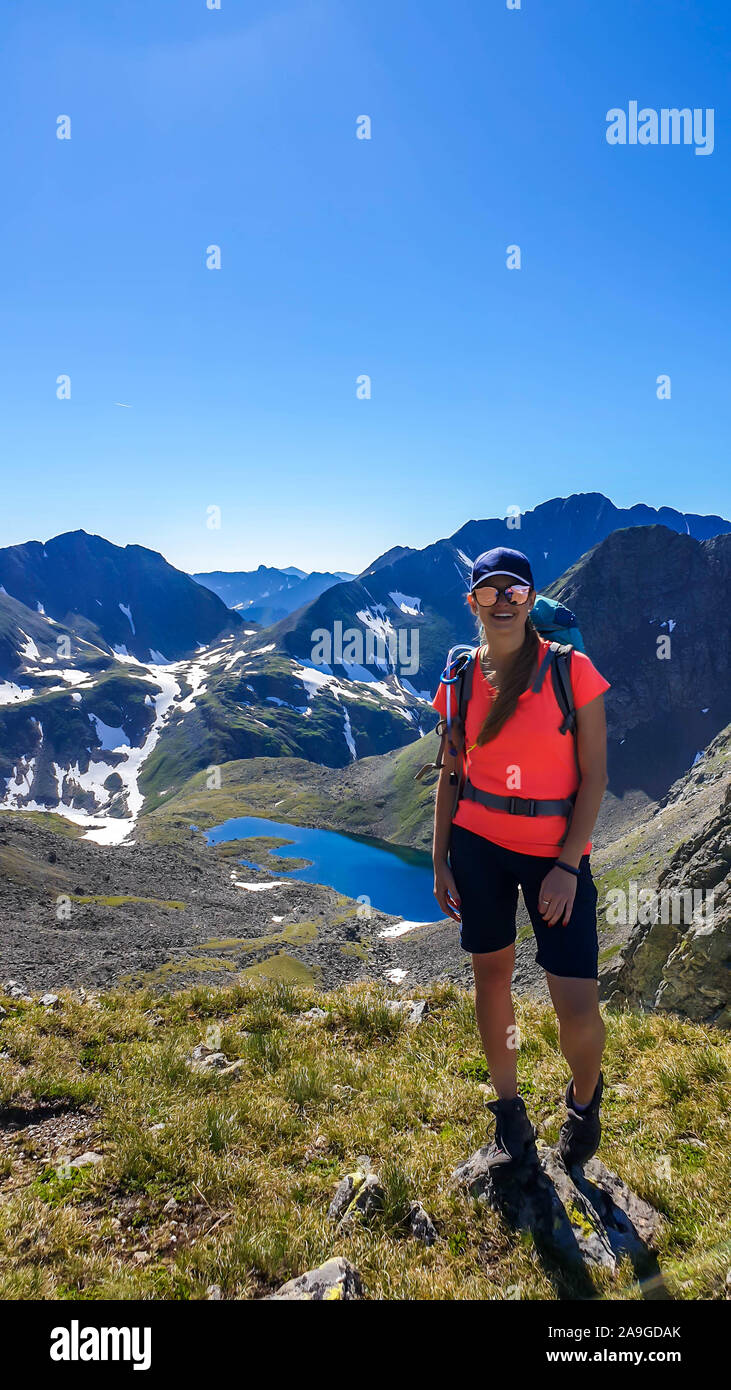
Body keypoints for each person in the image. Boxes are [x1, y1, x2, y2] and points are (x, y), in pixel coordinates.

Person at [431, 546, 611, 1172]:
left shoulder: (573, 672)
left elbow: (595, 778)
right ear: (472, 601)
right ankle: (509, 1109)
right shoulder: (458, 678)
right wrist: (438, 859)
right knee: (492, 977)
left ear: (531, 599)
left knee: (575, 1000)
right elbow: (451, 774)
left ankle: (584, 1103)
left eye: (514, 590)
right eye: (489, 590)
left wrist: (565, 866)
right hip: (477, 846)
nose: (502, 600)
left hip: (552, 857)